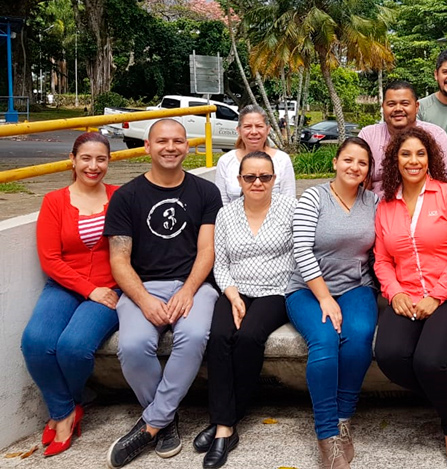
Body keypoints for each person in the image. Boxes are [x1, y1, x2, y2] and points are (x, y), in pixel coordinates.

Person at [103, 119, 222, 468]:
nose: (171, 147)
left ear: (189, 147)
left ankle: (151, 424)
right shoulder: (127, 197)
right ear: (147, 147)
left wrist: (188, 291)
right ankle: (166, 420)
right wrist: (143, 299)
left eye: (178, 141)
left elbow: (207, 250)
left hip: (195, 284)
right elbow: (119, 260)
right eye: (162, 141)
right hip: (143, 286)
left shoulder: (205, 192)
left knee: (195, 334)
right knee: (132, 345)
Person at [373, 127, 447, 469]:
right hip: (406, 294)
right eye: (405, 154)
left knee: (428, 361)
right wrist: (395, 291)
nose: (413, 160)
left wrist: (438, 294)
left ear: (430, 157)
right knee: (387, 355)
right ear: (394, 161)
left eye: (420, 153)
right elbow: (382, 260)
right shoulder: (386, 205)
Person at [194, 151, 297, 468]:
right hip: (235, 288)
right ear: (239, 180)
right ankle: (226, 422)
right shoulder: (226, 214)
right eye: (250, 176)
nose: (257, 182)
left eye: (264, 176)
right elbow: (220, 263)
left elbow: (297, 258)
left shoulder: (290, 210)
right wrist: (232, 294)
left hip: (276, 291)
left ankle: (223, 424)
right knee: (220, 337)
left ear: (274, 179)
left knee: (249, 336)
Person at [21, 132, 120, 457]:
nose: (94, 166)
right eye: (86, 158)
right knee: (36, 343)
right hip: (66, 286)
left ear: (109, 161)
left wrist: (104, 290)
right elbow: (50, 258)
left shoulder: (118, 197)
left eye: (101, 159)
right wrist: (88, 289)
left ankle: (67, 406)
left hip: (110, 290)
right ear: (73, 160)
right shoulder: (54, 201)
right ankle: (65, 411)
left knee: (74, 348)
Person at [285, 138, 379, 469]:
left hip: (355, 286)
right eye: (348, 160)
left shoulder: (373, 202)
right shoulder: (314, 197)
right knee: (325, 340)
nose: (354, 167)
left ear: (369, 169)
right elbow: (301, 249)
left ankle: (342, 419)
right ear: (336, 162)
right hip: (308, 290)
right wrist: (325, 298)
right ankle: (327, 436)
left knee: (360, 336)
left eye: (362, 163)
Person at [359, 81, 447, 197]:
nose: (398, 109)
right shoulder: (368, 136)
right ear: (383, 107)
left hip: (428, 209)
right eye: (391, 104)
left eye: (405, 103)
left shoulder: (436, 135)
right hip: (378, 208)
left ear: (416, 107)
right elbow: (361, 182)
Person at [214, 104, 296, 203]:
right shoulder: (226, 161)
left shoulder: (282, 160)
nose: (253, 132)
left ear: (268, 130)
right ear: (238, 130)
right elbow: (222, 203)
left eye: (259, 126)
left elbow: (289, 201)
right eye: (247, 126)